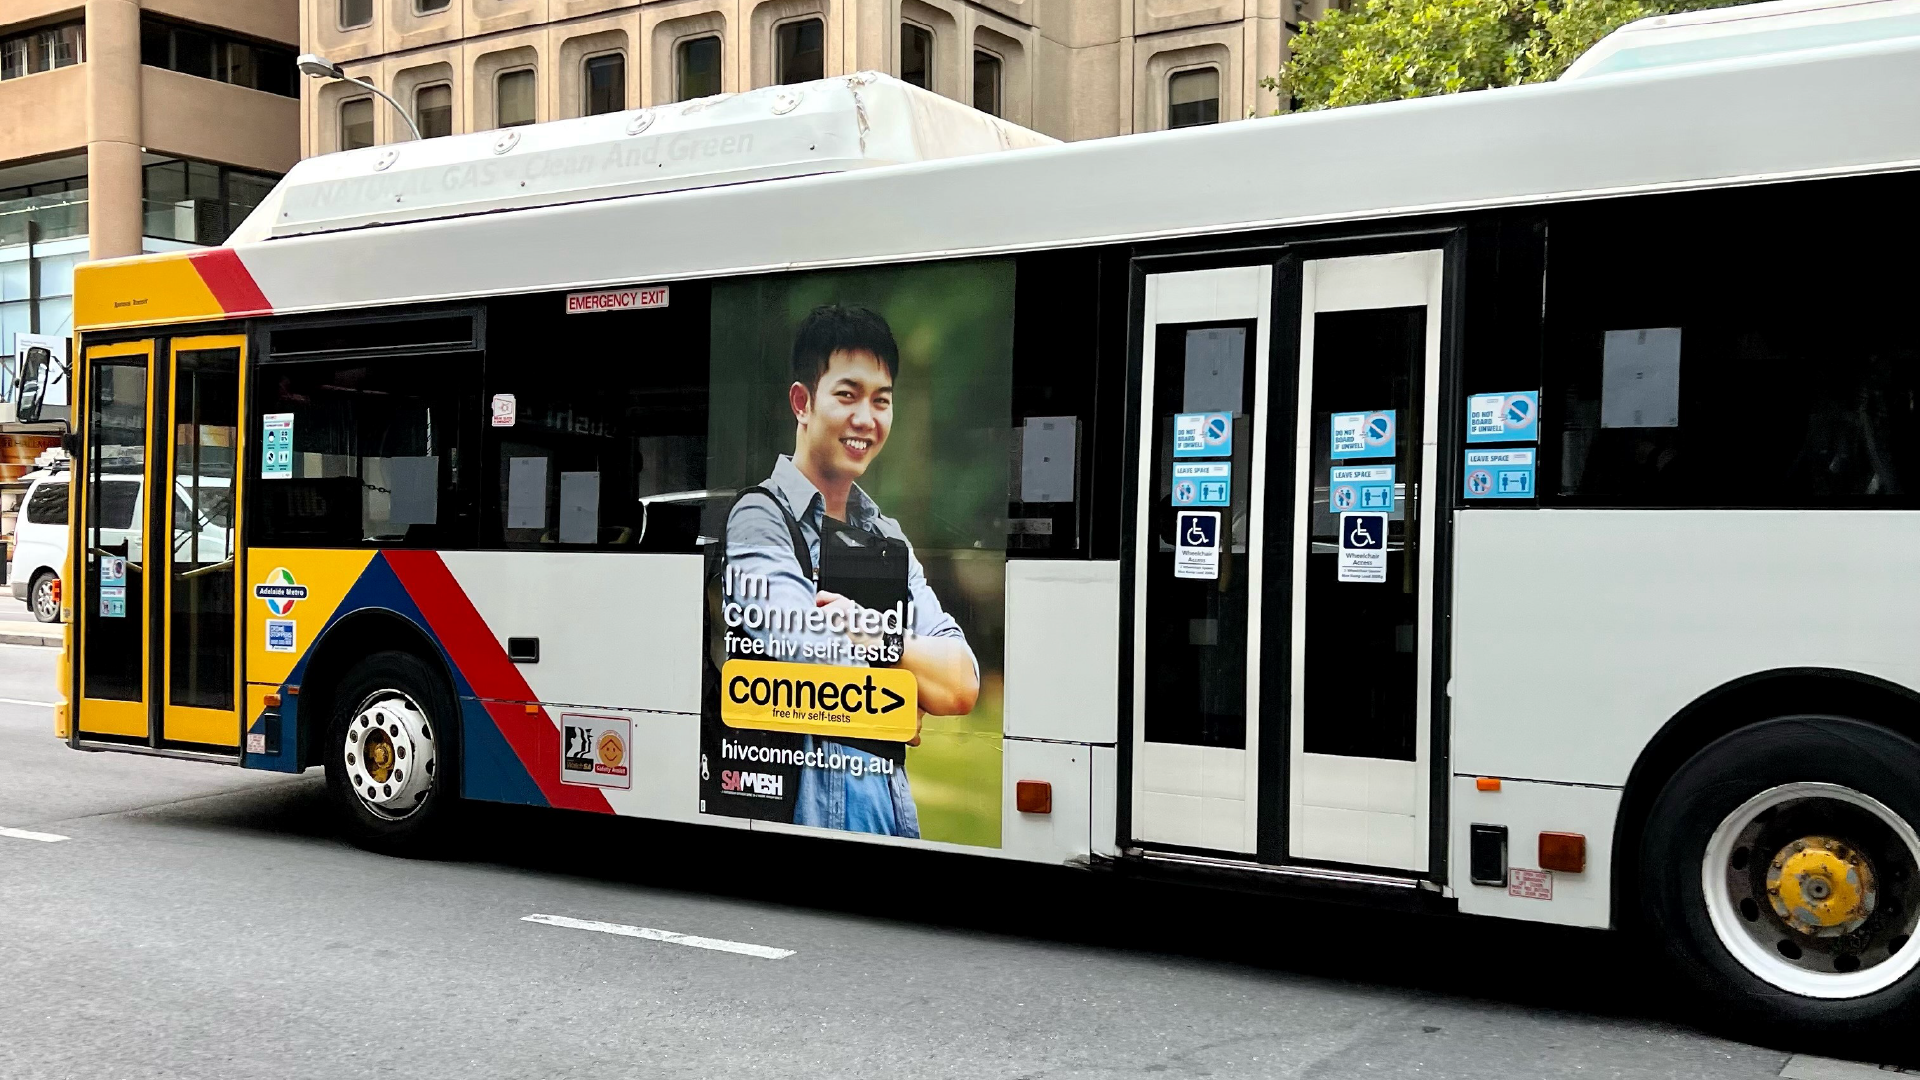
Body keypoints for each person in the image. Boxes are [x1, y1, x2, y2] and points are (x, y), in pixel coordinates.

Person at [722, 304, 980, 838]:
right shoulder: (760, 518)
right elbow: (809, 662)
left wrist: (873, 635)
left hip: (889, 822)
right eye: (847, 394)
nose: (866, 418)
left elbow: (961, 683)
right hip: (801, 819)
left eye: (881, 401)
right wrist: (904, 697)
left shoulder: (889, 537)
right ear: (802, 402)